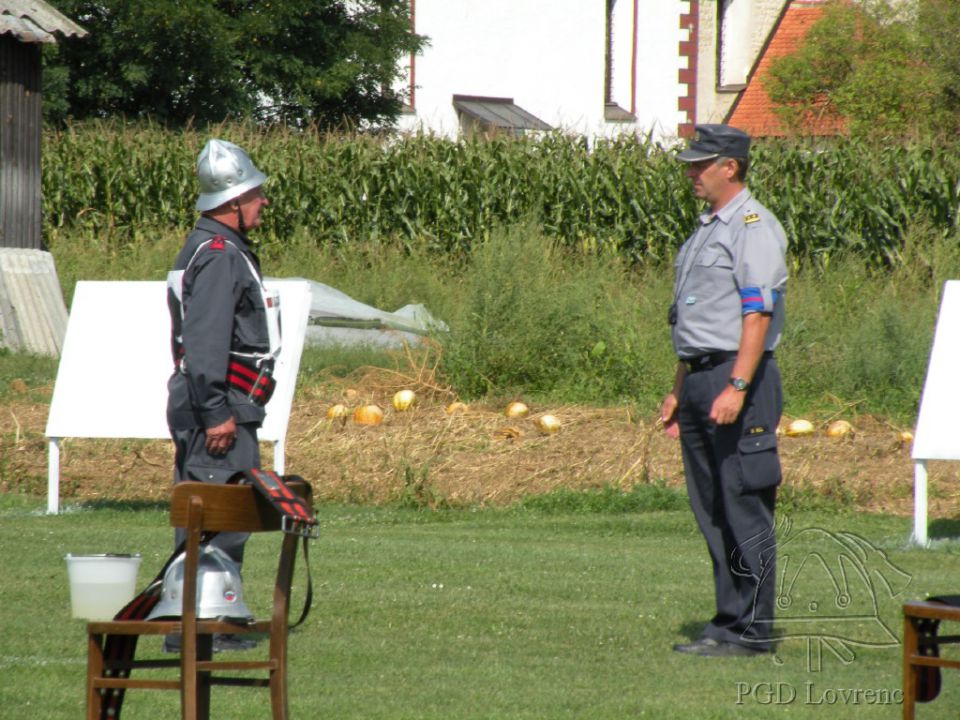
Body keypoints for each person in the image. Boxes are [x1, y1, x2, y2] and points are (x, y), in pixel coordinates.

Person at [660, 124, 787, 658]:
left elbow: (756, 314)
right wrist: (678, 389)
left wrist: (737, 383)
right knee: (712, 506)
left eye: (699, 165)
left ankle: (753, 631)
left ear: (729, 167)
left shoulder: (752, 227)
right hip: (701, 378)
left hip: (739, 381)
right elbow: (697, 323)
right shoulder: (707, 228)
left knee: (743, 503)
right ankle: (727, 620)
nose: (691, 173)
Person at [164, 139, 279, 652]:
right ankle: (201, 628)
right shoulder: (218, 255)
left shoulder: (217, 249)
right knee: (216, 516)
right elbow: (206, 342)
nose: (263, 202)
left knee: (216, 515)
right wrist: (216, 413)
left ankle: (207, 621)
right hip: (221, 407)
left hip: (226, 404)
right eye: (255, 194)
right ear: (232, 202)